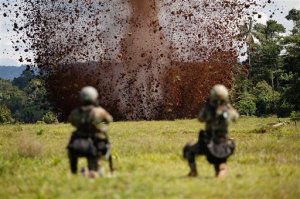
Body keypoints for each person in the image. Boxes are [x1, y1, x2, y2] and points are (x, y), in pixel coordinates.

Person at [183, 84, 239, 178]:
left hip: (208, 142)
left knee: (188, 149)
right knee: (219, 159)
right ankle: (222, 168)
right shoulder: (227, 109)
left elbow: (200, 118)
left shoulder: (208, 109)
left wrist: (207, 107)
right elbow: (236, 117)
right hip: (223, 143)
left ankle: (193, 172)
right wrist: (227, 108)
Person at [67, 86, 114, 178]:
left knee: (73, 154)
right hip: (95, 143)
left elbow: (72, 122)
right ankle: (93, 172)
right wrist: (99, 124)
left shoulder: (76, 112)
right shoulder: (99, 111)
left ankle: (75, 172)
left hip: (78, 144)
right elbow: (109, 120)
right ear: (94, 98)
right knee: (95, 166)